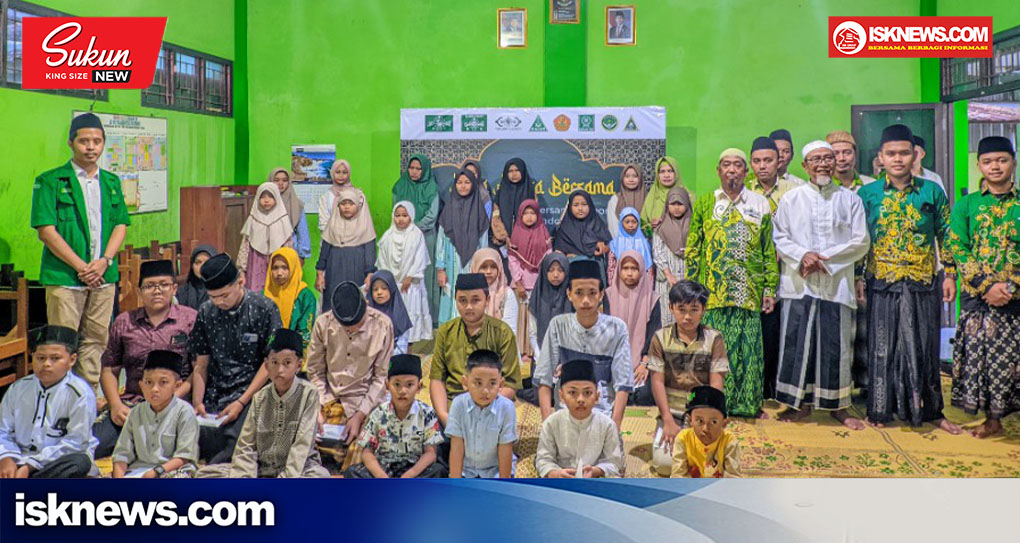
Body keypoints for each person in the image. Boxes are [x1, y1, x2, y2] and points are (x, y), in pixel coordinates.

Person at [857, 124, 959, 433]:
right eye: (891, 154)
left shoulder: (932, 191)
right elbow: (859, 239)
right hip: (881, 280)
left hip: (922, 280)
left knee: (924, 346)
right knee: (882, 348)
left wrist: (950, 274)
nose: (898, 159)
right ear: (881, 157)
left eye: (904, 153)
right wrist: (859, 277)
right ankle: (879, 410)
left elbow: (946, 235)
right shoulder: (867, 194)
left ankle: (930, 411)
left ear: (915, 155)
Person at [772, 141, 870, 430]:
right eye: (816, 160)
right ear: (805, 166)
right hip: (799, 282)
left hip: (836, 283)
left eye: (828, 158)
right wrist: (803, 256)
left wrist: (824, 260)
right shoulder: (791, 199)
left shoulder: (850, 200)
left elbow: (861, 241)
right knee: (796, 343)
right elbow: (779, 236)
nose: (823, 164)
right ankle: (797, 404)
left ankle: (838, 406)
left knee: (836, 346)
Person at [31, 112, 130, 394]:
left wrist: (104, 261)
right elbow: (46, 230)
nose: (90, 147)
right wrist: (82, 267)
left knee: (96, 342)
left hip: (103, 276)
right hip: (64, 278)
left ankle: (86, 399)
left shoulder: (111, 182)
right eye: (84, 141)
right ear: (71, 143)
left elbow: (120, 225)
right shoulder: (50, 181)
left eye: (97, 141)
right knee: (62, 343)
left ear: (103, 143)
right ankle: (59, 399)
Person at [686, 148, 778, 418]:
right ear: (718, 171)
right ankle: (713, 404)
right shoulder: (706, 203)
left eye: (737, 165)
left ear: (745, 172)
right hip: (713, 294)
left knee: (748, 353)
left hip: (749, 293)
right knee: (714, 352)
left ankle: (747, 406)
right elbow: (693, 248)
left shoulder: (760, 204)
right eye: (726, 164)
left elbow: (768, 250)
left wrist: (769, 288)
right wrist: (693, 290)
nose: (732, 170)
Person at [948, 136, 1020, 439]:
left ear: (1013, 162)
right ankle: (992, 420)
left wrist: (1011, 286)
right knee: (983, 360)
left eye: (1002, 160)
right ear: (979, 165)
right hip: (977, 298)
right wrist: (986, 286)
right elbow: (958, 247)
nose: (995, 167)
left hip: (1015, 298)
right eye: (988, 161)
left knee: (1011, 360)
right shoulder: (967, 205)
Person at [94, 259, 197, 458]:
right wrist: (115, 405)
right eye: (149, 286)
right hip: (133, 404)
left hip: (176, 404)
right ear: (139, 291)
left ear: (174, 289)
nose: (157, 291)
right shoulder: (124, 322)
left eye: (164, 284)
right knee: (95, 444)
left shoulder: (190, 319)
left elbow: (199, 368)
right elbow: (109, 369)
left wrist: (172, 399)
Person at [198, 328, 329, 478]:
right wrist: (245, 478)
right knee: (205, 474)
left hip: (299, 471)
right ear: (266, 365)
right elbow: (246, 446)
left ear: (298, 365)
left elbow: (301, 447)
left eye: (287, 363)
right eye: (274, 362)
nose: (280, 369)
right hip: (262, 468)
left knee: (321, 477)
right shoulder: (260, 397)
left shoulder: (309, 394)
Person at [189, 254, 283, 463]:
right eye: (213, 297)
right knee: (197, 436)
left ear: (240, 281)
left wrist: (241, 402)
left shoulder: (264, 309)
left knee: (235, 442)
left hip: (251, 392)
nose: (219, 302)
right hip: (215, 390)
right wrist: (197, 402)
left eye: (224, 295)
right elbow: (201, 364)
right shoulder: (206, 311)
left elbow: (270, 364)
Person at [534, 259, 634, 429]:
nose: (586, 300)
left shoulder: (617, 329)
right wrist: (547, 425)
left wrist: (614, 429)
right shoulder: (558, 325)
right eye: (579, 293)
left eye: (592, 293)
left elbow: (623, 385)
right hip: (565, 415)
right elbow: (544, 377)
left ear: (601, 294)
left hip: (602, 417)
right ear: (569, 294)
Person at [647, 280, 728, 476]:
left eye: (694, 310)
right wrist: (667, 419)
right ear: (671, 308)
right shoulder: (660, 338)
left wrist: (705, 422)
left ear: (703, 310)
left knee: (713, 465)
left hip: (702, 416)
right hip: (672, 414)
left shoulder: (714, 338)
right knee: (664, 465)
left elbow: (716, 385)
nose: (687, 317)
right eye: (681, 309)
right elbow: (657, 381)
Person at [305, 282, 393, 459]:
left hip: (364, 401)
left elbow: (380, 379)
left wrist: (359, 416)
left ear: (366, 304)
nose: (351, 330)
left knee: (364, 452)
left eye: (357, 325)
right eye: (346, 328)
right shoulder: (324, 323)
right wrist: (318, 407)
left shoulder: (382, 325)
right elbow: (315, 371)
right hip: (329, 398)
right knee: (304, 443)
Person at [0, 325, 97, 478]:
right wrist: (6, 457)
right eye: (40, 358)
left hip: (53, 462)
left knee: (79, 462)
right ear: (32, 357)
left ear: (72, 360)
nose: (46, 364)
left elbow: (76, 443)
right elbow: (3, 430)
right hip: (18, 457)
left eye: (55, 358)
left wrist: (29, 466)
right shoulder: (18, 388)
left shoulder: (80, 394)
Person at [429, 273, 521, 428]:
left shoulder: (502, 333)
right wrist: (445, 417)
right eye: (462, 300)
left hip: (491, 409)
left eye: (475, 300)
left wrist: (482, 410)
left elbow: (510, 384)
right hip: (454, 411)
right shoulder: (446, 332)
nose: (469, 307)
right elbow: (437, 380)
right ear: (455, 300)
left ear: (487, 300)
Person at [746, 136, 798, 399]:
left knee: (782, 332)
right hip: (754, 273)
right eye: (757, 161)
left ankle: (778, 388)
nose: (762, 166)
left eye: (768, 160)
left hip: (788, 271)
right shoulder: (744, 191)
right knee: (758, 331)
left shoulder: (794, 191)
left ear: (779, 161)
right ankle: (756, 387)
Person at [343, 354, 447, 478]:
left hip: (415, 470)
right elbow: (367, 453)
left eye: (409, 385)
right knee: (352, 472)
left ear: (419, 387)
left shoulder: (427, 414)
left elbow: (430, 453)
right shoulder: (378, 413)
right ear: (387, 386)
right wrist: (381, 476)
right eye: (397, 384)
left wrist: (410, 475)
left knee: (439, 471)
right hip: (384, 468)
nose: (402, 391)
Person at [826, 130, 874, 396]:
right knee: (840, 333)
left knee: (866, 332)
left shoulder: (870, 186)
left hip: (865, 272)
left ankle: (867, 388)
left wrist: (861, 274)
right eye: (836, 153)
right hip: (832, 273)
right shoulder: (822, 190)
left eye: (847, 152)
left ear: (855, 155)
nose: (842, 158)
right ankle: (839, 389)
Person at [112, 350, 198, 478]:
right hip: (139, 471)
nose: (154, 389)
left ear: (177, 385)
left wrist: (156, 472)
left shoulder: (184, 412)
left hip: (171, 470)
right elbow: (122, 455)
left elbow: (184, 456)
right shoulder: (135, 412)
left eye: (163, 382)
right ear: (141, 385)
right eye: (148, 382)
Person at [535, 359, 625, 478]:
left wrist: (595, 471)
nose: (580, 399)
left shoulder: (607, 425)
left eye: (587, 393)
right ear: (561, 396)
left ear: (597, 396)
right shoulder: (551, 423)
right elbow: (543, 460)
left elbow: (614, 462)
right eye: (573, 393)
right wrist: (556, 473)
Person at [446, 349, 518, 478]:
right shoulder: (458, 404)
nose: (485, 391)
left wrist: (504, 485)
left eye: (492, 383)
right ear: (465, 383)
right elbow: (457, 448)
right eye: (478, 383)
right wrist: (455, 483)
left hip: (495, 470)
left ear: (501, 384)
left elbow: (505, 449)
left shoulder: (507, 408)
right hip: (467, 470)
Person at [436, 168, 492, 324]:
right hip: (451, 263)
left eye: (467, 182)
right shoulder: (448, 208)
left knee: (471, 298)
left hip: (472, 265)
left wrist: (482, 267)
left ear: (473, 184)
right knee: (450, 299)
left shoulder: (479, 210)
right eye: (459, 182)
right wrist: (440, 269)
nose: (463, 186)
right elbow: (441, 239)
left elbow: (483, 243)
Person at [608, 250, 660, 406]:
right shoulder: (608, 296)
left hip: (642, 363)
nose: (629, 273)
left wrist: (644, 364)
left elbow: (654, 336)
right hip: (613, 363)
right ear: (618, 270)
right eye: (625, 268)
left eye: (634, 269)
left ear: (642, 271)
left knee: (645, 395)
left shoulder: (652, 299)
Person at [392, 155, 441, 320]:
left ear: (424, 170)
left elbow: (432, 216)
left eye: (418, 169)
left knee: (424, 276)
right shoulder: (400, 185)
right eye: (411, 168)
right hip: (402, 237)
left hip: (425, 237)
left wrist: (414, 228)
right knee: (404, 273)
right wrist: (405, 228)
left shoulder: (431, 188)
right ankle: (405, 318)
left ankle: (427, 318)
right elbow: (395, 211)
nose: (414, 172)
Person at [377, 201, 433, 344]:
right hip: (392, 286)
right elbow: (382, 260)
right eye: (397, 215)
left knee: (410, 320)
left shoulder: (416, 235)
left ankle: (409, 349)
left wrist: (410, 276)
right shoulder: (388, 236)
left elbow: (420, 258)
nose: (400, 219)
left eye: (404, 215)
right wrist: (388, 281)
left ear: (411, 216)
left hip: (410, 285)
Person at [316, 186, 377, 316]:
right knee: (333, 304)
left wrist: (370, 274)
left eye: (351, 203)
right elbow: (324, 251)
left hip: (357, 270)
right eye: (343, 203)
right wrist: (320, 274)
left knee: (354, 305)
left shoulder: (365, 226)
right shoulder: (333, 225)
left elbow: (370, 253)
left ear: (358, 206)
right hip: (334, 270)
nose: (347, 207)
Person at [507, 198, 551, 360]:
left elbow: (548, 257)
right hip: (521, 284)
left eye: (533, 213)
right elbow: (513, 260)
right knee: (522, 318)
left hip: (539, 282)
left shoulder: (543, 232)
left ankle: (535, 351)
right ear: (520, 215)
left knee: (535, 318)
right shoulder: (516, 233)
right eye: (525, 213)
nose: (529, 217)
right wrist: (519, 282)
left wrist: (543, 280)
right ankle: (522, 350)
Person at [670, 386, 741, 478]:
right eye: (700, 421)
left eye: (713, 422)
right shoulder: (683, 439)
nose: (705, 429)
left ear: (724, 423)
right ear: (690, 420)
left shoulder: (729, 442)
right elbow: (678, 475)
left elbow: (733, 477)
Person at [237, 182, 293, 292]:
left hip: (277, 263)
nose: (266, 200)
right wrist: (241, 269)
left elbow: (288, 246)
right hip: (255, 262)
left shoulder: (282, 220)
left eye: (270, 196)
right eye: (262, 197)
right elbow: (245, 245)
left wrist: (288, 265)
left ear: (277, 198)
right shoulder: (253, 219)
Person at [652, 186, 693, 328]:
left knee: (688, 316)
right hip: (667, 281)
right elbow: (658, 252)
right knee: (668, 316)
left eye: (680, 204)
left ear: (686, 204)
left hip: (688, 278)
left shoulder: (694, 226)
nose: (676, 208)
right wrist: (668, 274)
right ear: (667, 205)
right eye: (672, 204)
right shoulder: (660, 228)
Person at [264, 247, 317, 349]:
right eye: (275, 268)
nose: (279, 273)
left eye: (284, 268)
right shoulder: (264, 295)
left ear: (294, 268)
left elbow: (305, 334)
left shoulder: (305, 296)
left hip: (295, 352)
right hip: (267, 352)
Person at [526, 252, 572, 367]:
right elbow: (532, 333)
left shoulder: (572, 299)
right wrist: (540, 357)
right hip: (541, 358)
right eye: (551, 270)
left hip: (567, 361)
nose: (556, 275)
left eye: (560, 270)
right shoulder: (537, 298)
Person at [470, 248, 522, 342]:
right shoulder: (467, 294)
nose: (489, 271)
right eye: (484, 267)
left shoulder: (506, 294)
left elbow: (510, 330)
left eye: (493, 267)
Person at [552, 190, 612, 268]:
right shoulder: (564, 229)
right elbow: (559, 253)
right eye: (576, 205)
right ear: (570, 207)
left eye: (584, 204)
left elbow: (609, 247)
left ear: (590, 205)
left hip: (596, 269)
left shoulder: (598, 225)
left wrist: (604, 248)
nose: (580, 208)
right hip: (572, 270)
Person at [491, 158, 537, 253]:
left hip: (526, 243)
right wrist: (504, 237)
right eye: (510, 171)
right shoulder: (500, 194)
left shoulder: (530, 192)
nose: (514, 174)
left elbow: (534, 217)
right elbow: (495, 218)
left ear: (522, 171)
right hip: (503, 243)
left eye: (517, 170)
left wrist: (521, 238)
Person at [269, 167, 311, 260]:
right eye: (276, 180)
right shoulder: (264, 203)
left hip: (291, 250)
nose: (280, 183)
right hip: (267, 251)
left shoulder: (296, 204)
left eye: (284, 180)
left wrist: (302, 256)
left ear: (289, 182)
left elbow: (303, 232)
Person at [367, 270, 414, 355]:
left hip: (393, 359)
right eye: (375, 289)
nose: (379, 292)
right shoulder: (366, 315)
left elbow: (402, 350)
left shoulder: (399, 315)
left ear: (392, 289)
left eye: (384, 288)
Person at [607, 207, 652, 286]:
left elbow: (649, 268)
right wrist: (612, 286)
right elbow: (612, 267)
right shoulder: (615, 244)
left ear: (638, 223)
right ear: (621, 223)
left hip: (641, 285)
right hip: (620, 285)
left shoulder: (644, 243)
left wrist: (648, 287)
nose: (630, 225)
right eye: (627, 222)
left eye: (634, 222)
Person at [641, 156, 683, 235]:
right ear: (658, 175)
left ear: (676, 173)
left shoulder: (686, 197)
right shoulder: (651, 198)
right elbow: (641, 228)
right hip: (655, 241)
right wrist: (651, 226)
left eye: (670, 171)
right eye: (662, 171)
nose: (666, 175)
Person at [318, 159, 361, 233]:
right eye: (337, 172)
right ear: (332, 173)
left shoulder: (357, 194)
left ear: (349, 174)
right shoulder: (326, 197)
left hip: (354, 237)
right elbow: (323, 223)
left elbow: (361, 220)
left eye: (344, 172)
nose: (341, 176)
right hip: (331, 237)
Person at [607, 164, 646, 239]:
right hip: (621, 243)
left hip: (644, 242)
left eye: (635, 176)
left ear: (640, 178)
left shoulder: (647, 198)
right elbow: (613, 226)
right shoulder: (615, 199)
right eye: (627, 176)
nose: (631, 179)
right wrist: (623, 242)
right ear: (622, 178)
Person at [177, 244, 216, 310]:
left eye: (207, 262)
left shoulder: (222, 292)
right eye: (198, 262)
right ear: (192, 266)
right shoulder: (182, 291)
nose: (202, 267)